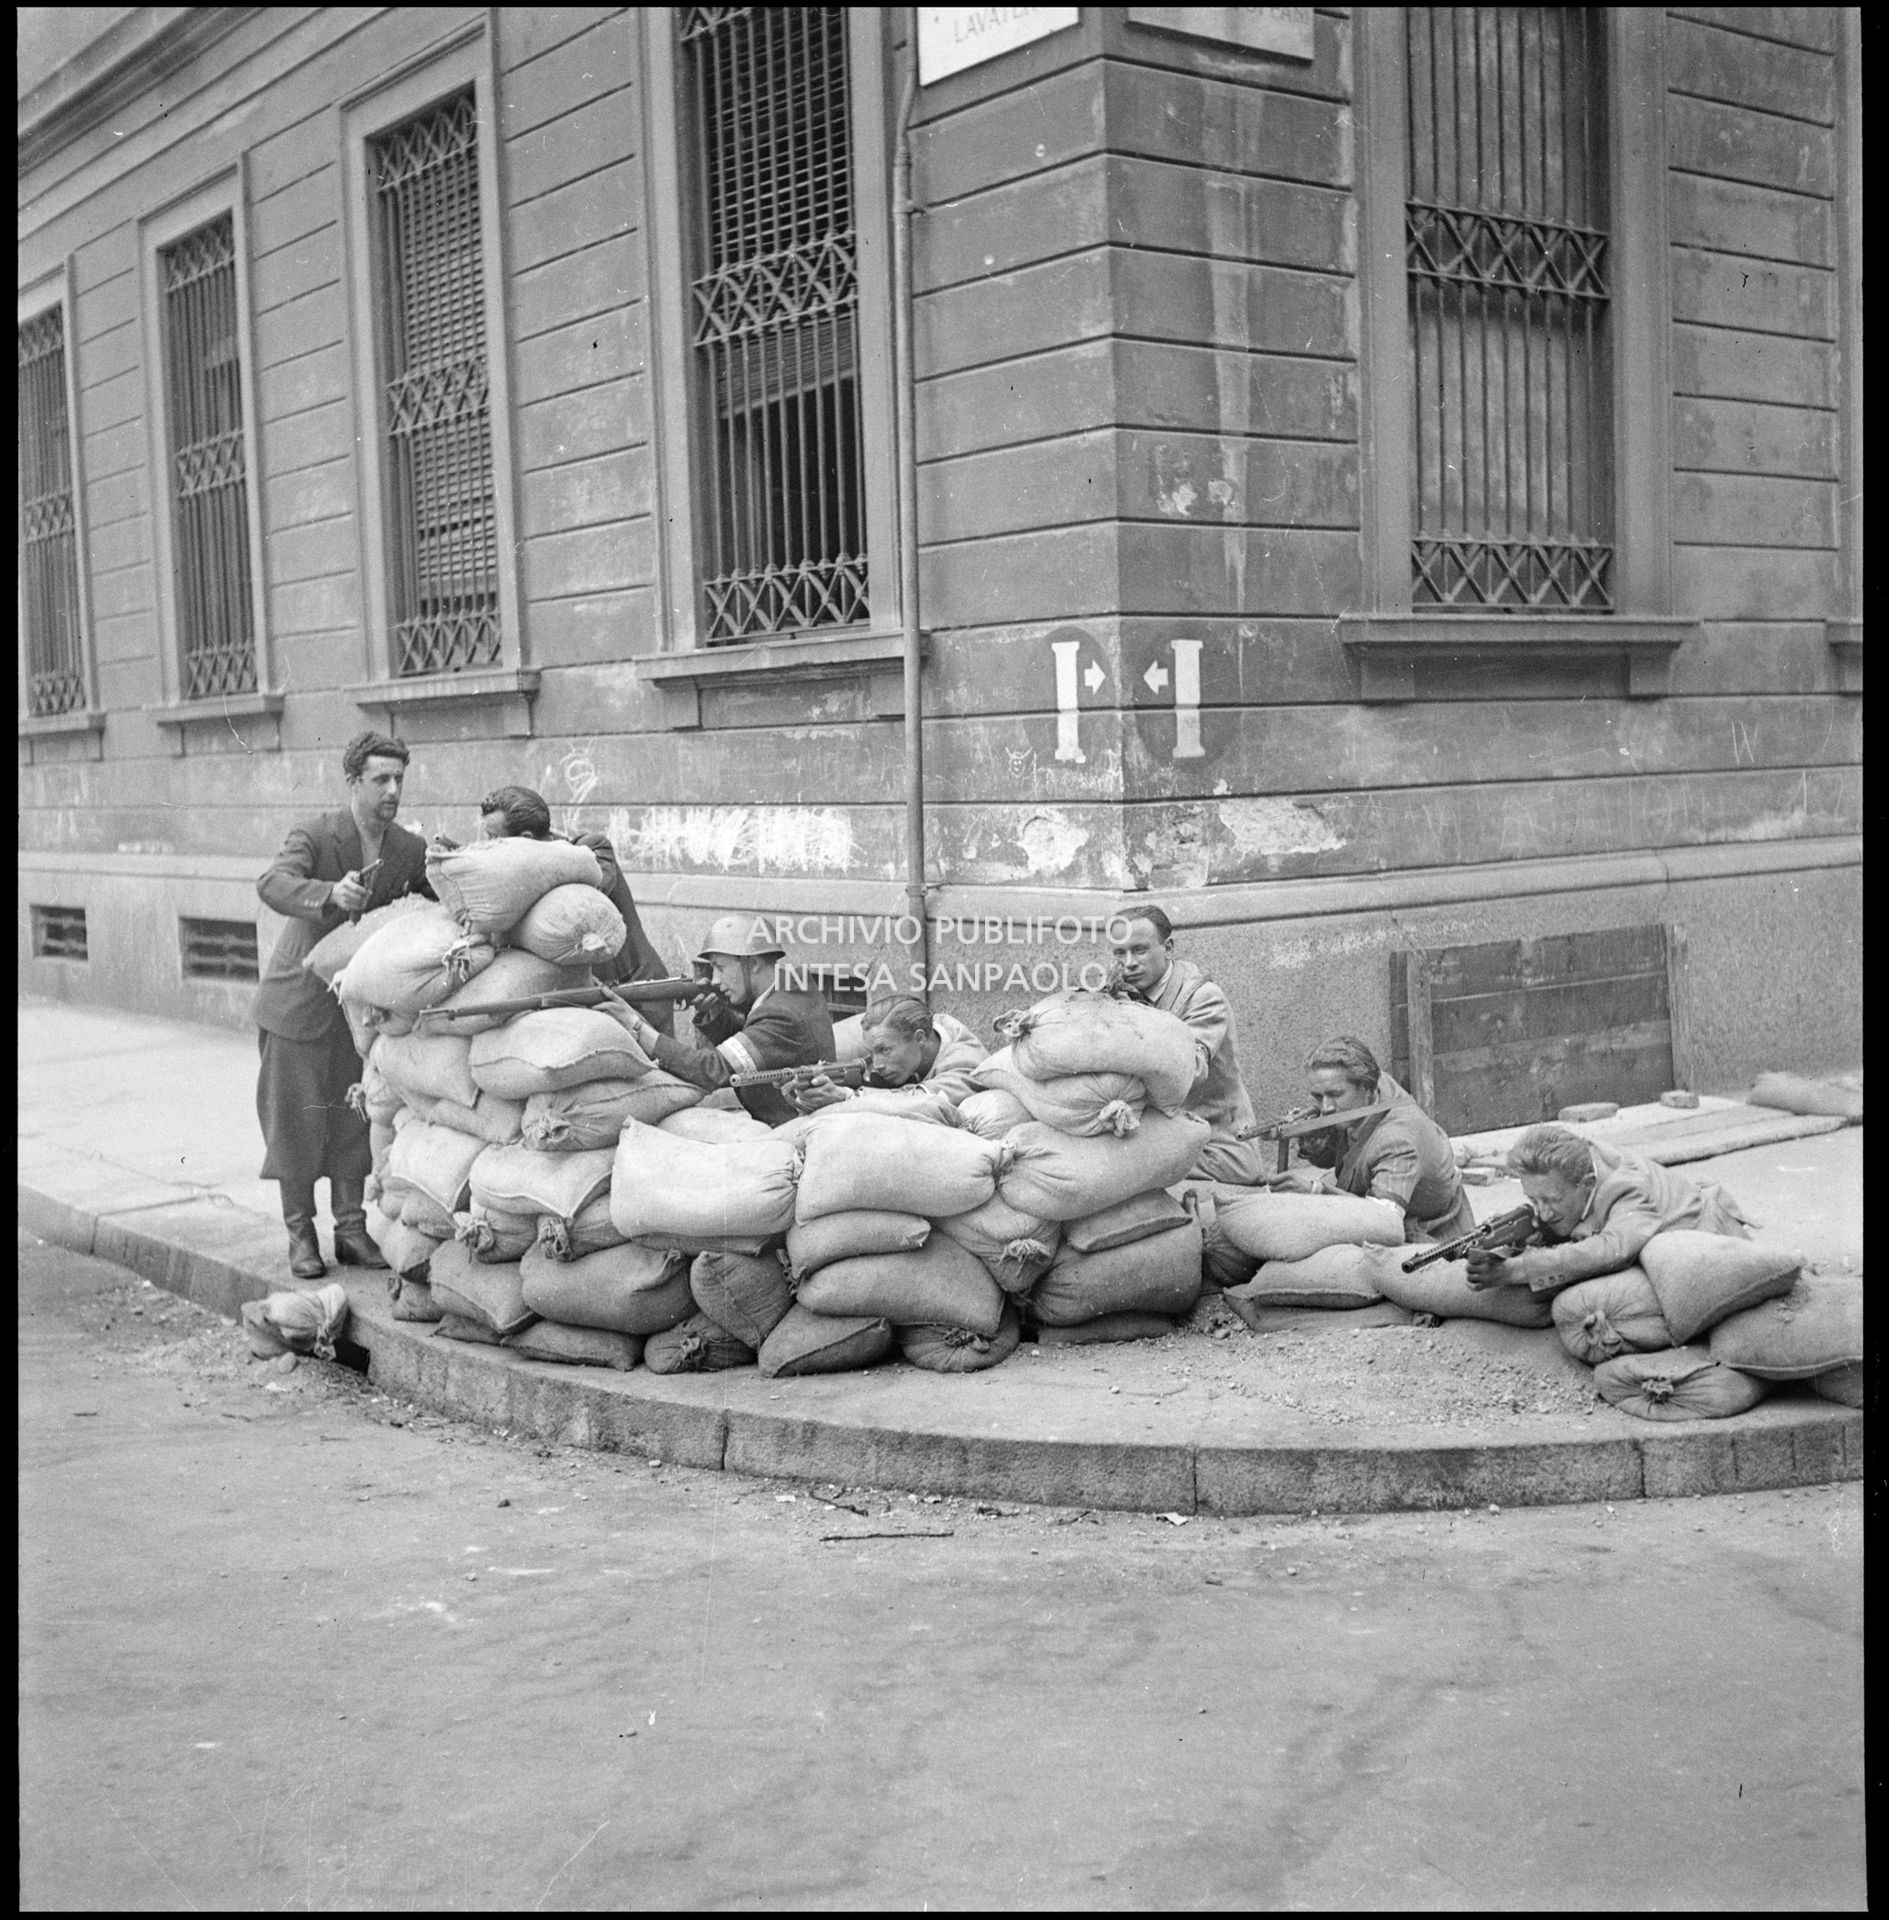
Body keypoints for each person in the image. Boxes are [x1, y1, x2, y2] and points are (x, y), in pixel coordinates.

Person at [254, 732, 432, 1278]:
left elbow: (433, 893)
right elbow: (273, 883)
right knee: (298, 1124)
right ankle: (300, 1235)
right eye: (380, 779)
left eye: (399, 779)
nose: (392, 790)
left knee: (356, 1119)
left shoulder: (406, 848)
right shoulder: (316, 834)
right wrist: (328, 894)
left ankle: (351, 1231)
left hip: (360, 1015)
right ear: (353, 782)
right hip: (299, 1006)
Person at [1466, 1124, 1751, 1297]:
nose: (1541, 1213)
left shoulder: (1625, 1187)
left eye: (1551, 1201)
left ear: (1587, 1184)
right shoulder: (1578, 1159)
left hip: (1713, 1242)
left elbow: (1612, 1249)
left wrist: (1515, 1271)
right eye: (1533, 1199)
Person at [600, 916, 833, 1127]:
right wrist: (715, 1014)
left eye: (720, 968)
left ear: (753, 964)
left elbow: (713, 1069)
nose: (715, 980)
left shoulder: (781, 1014)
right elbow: (756, 1048)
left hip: (791, 1126)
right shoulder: (792, 988)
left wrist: (636, 1026)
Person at [1108, 906, 1264, 1183]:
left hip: (1217, 1146)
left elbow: (1187, 1069)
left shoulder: (1203, 998)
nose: (1129, 963)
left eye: (1140, 950)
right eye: (1120, 953)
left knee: (1120, 1167)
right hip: (1162, 1133)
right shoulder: (1126, 996)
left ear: (1168, 948)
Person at [1285, 1035, 1479, 1245]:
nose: (1325, 1108)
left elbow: (1382, 1223)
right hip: (1380, 1195)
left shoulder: (1397, 1141)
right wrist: (1314, 1143)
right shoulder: (1371, 1089)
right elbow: (1349, 1159)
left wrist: (1317, 1192)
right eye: (1318, 1097)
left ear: (1367, 1088)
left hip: (1427, 1232)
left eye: (1335, 1094)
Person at [476, 784, 667, 988]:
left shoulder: (593, 850)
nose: (489, 846)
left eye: (495, 838)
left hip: (638, 990)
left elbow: (578, 896)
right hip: (588, 999)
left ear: (525, 839)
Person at [787, 993, 986, 1113]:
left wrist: (846, 1097)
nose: (878, 1065)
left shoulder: (965, 1063)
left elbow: (919, 1103)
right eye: (873, 1053)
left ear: (919, 1038)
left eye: (885, 1051)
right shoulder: (904, 1039)